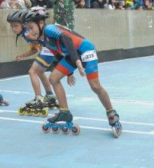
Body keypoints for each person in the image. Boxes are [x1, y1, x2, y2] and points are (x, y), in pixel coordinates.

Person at [21, 8, 121, 136]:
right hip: (72, 54)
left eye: (31, 27)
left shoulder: (49, 29)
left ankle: (111, 113)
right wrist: (69, 73)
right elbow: (57, 53)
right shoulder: (43, 40)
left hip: (85, 49)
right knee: (53, 78)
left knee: (95, 86)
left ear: (41, 24)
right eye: (27, 29)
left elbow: (67, 40)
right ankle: (65, 112)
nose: (29, 32)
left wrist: (77, 62)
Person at [7, 8, 69, 116]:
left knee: (32, 72)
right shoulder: (26, 33)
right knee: (40, 72)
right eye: (11, 26)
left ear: (23, 24)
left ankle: (39, 97)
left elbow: (42, 42)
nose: (13, 29)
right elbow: (35, 49)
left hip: (48, 49)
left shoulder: (27, 32)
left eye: (16, 26)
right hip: (47, 50)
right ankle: (49, 95)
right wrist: (22, 55)